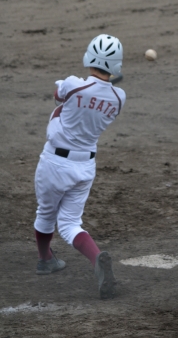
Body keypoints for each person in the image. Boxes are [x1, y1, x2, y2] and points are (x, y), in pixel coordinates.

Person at [32, 34, 126, 300]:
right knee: (71, 223)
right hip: (84, 167)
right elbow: (96, 100)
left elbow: (57, 96)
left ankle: (45, 259)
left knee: (46, 214)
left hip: (54, 163)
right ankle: (96, 259)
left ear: (89, 58)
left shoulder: (73, 84)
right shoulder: (119, 97)